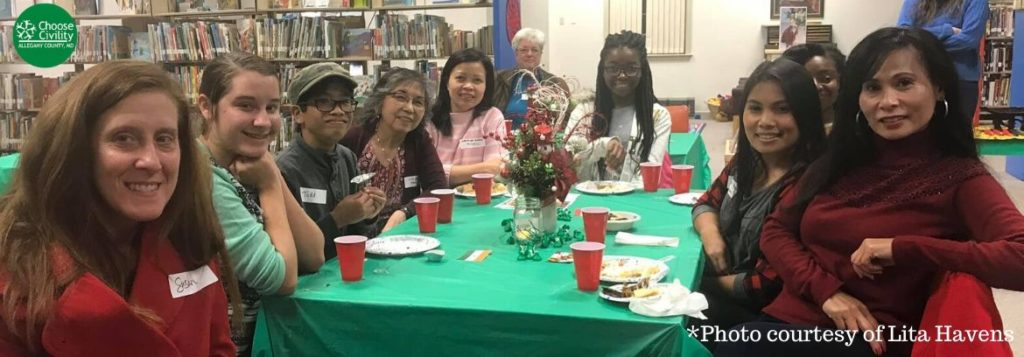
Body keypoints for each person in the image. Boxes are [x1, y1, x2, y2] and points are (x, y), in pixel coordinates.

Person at [716, 27, 1024, 356]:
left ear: (938, 88)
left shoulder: (959, 177)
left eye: (904, 83)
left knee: (738, 347)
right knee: (682, 316)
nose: (888, 101)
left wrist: (904, 248)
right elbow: (776, 230)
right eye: (873, 87)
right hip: (794, 316)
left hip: (872, 338)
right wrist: (827, 293)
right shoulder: (839, 160)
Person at [0, 61, 239, 355]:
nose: (151, 162)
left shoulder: (189, 241)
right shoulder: (17, 272)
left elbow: (218, 346)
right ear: (75, 150)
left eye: (164, 139)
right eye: (124, 139)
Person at [690, 58, 827, 346]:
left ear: (805, 113)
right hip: (723, 287)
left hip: (759, 316)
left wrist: (696, 280)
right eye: (755, 108)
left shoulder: (808, 185)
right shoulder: (748, 161)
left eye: (782, 109)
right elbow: (705, 202)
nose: (765, 122)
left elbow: (765, 286)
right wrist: (711, 234)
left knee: (670, 315)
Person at [197, 52, 325, 356]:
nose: (263, 121)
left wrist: (271, 174)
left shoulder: (250, 164)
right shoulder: (204, 176)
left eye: (272, 107)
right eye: (245, 106)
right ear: (206, 106)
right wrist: (269, 184)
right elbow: (281, 279)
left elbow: (314, 254)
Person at [276, 62, 386, 257]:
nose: (338, 111)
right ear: (297, 114)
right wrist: (337, 219)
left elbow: (355, 235)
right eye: (324, 102)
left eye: (345, 102)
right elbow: (290, 253)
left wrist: (368, 214)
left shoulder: (346, 157)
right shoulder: (284, 170)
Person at [341, 68, 447, 235]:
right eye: (400, 97)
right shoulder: (352, 138)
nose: (409, 108)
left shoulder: (419, 140)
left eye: (418, 102)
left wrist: (404, 212)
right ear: (380, 101)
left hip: (401, 233)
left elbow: (438, 187)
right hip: (354, 238)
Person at [564, 30, 671, 183]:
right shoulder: (584, 111)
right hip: (589, 200)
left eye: (631, 68)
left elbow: (650, 171)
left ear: (643, 71)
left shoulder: (657, 116)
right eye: (613, 68)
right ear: (603, 71)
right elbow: (570, 159)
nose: (622, 75)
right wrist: (603, 145)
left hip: (635, 201)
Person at [426, 48, 509, 186]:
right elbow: (428, 174)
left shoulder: (492, 117)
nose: (469, 86)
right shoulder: (429, 120)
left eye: (477, 80)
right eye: (460, 78)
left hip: (481, 199)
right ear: (447, 82)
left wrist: (445, 172)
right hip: (438, 200)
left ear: (486, 86)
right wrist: (482, 170)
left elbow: (495, 169)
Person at [898, 0, 988, 122]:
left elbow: (968, 41)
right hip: (921, 75)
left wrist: (921, 42)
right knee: (919, 133)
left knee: (958, 135)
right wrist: (947, 30)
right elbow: (904, 34)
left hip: (960, 79)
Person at [494, 28, 573, 128]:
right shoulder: (499, 79)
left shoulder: (556, 83)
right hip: (505, 140)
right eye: (524, 50)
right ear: (516, 53)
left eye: (535, 50)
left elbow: (567, 120)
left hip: (543, 141)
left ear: (541, 54)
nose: (529, 54)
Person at [782, 43, 847, 130]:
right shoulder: (780, 131)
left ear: (840, 80)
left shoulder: (857, 132)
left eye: (826, 78)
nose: (816, 86)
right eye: (805, 79)